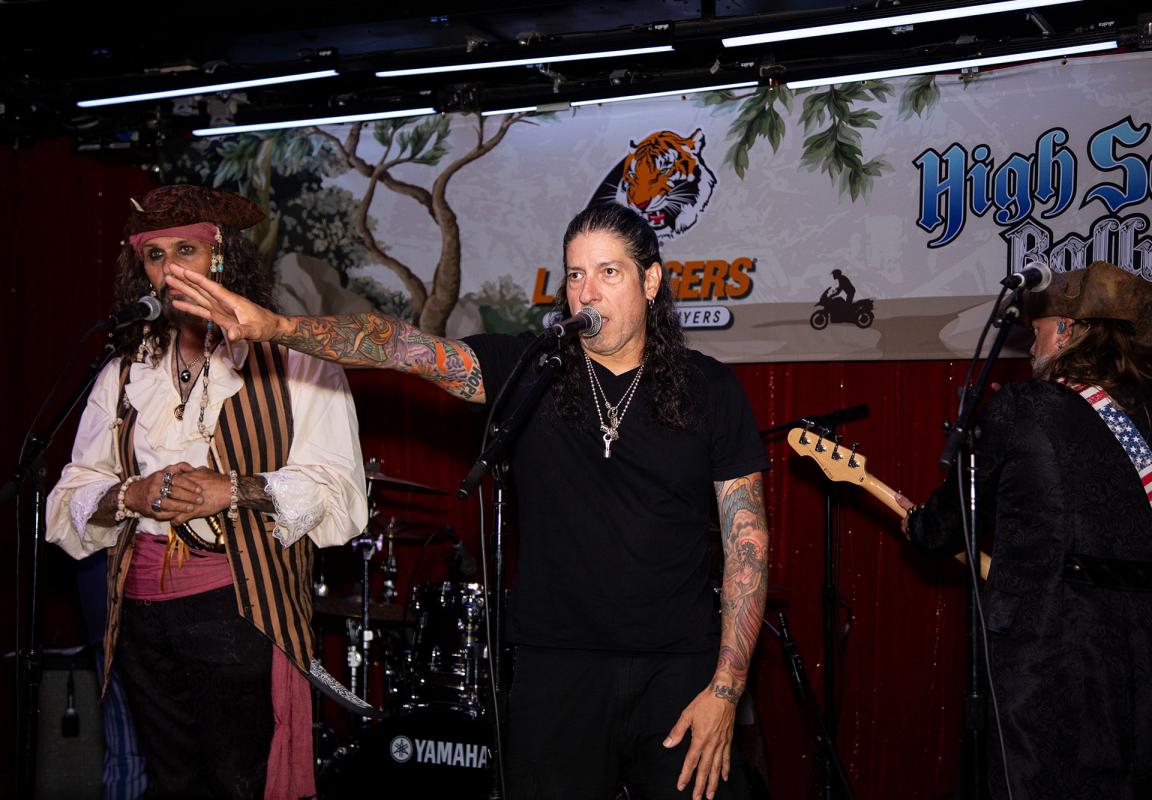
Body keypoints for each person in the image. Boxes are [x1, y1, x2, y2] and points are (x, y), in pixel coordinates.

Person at [167, 202, 771, 800]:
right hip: (555, 669)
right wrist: (279, 329)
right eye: (575, 275)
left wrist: (725, 690)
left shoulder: (710, 388)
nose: (587, 293)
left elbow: (748, 544)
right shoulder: (529, 373)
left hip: (679, 671)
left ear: (651, 281)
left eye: (608, 272)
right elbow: (397, 346)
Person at [46, 185, 370, 799]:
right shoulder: (124, 370)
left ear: (221, 258)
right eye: (155, 255)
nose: (170, 269)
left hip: (240, 605)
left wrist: (234, 490)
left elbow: (340, 491)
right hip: (139, 612)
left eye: (186, 250)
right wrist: (130, 496)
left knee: (238, 781)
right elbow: (74, 490)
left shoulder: (295, 361)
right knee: (172, 782)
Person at [901, 261, 1152, 799]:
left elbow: (945, 528)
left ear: (1066, 329)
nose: (1030, 345)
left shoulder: (1024, 408)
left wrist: (918, 523)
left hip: (1052, 654)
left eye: (1036, 331)